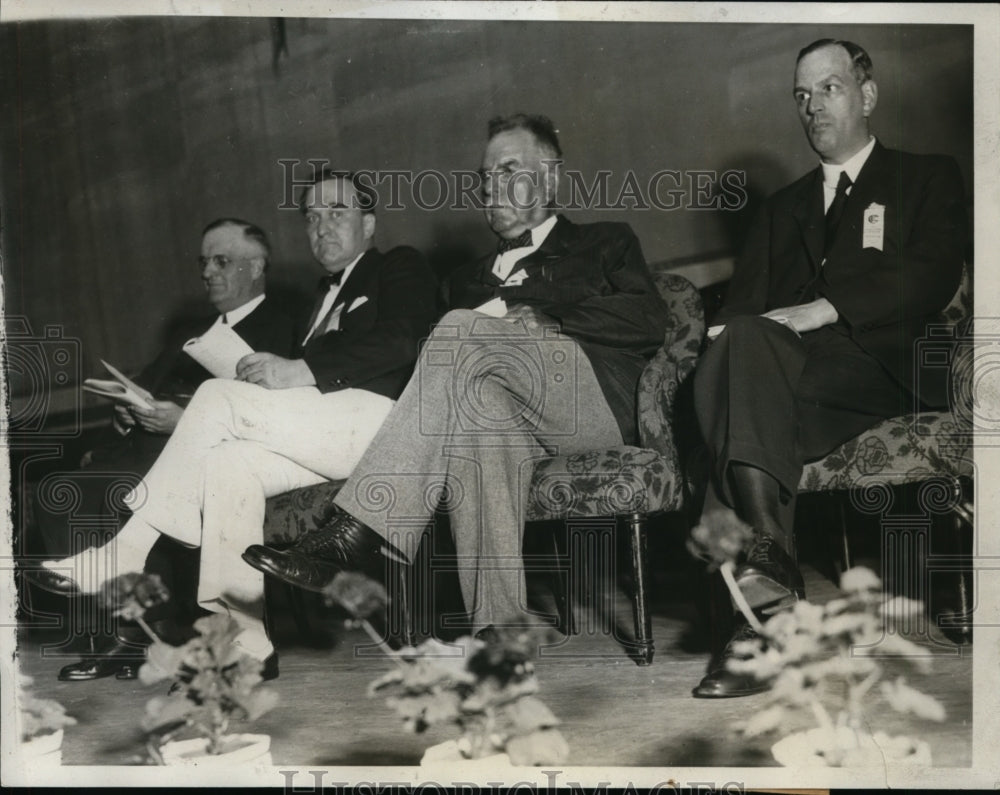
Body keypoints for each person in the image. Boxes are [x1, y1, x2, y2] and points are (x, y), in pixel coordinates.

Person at [242, 114, 670, 637]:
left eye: (508, 168)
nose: (492, 186)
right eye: (485, 177)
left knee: (458, 332)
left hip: (587, 404)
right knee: (476, 425)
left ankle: (358, 531)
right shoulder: (461, 282)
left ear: (552, 177)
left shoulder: (604, 242)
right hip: (512, 420)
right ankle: (500, 631)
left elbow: (648, 318)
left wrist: (553, 321)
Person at [27, 170, 439, 676]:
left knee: (218, 396)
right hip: (327, 431)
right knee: (226, 464)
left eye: (338, 212)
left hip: (383, 427)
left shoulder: (399, 266)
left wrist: (299, 369)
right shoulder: (319, 296)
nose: (322, 227)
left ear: (370, 223)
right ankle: (246, 640)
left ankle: (125, 551)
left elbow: (405, 340)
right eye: (311, 216)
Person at [690, 39, 967, 698]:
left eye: (830, 89)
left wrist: (822, 310)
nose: (812, 106)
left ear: (867, 95)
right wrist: (737, 331)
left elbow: (929, 279)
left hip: (880, 368)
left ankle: (757, 621)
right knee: (741, 361)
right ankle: (774, 599)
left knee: (740, 405)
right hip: (784, 377)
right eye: (801, 95)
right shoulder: (779, 210)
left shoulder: (926, 176)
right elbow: (745, 311)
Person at [32, 217, 297, 681]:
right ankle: (112, 630)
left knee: (121, 490)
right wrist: (127, 412)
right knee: (59, 488)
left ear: (256, 267)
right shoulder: (190, 332)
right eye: (204, 262)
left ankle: (143, 633)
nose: (208, 272)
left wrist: (180, 418)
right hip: (145, 444)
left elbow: (272, 410)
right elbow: (148, 390)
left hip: (211, 451)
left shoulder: (284, 326)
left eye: (222, 261)